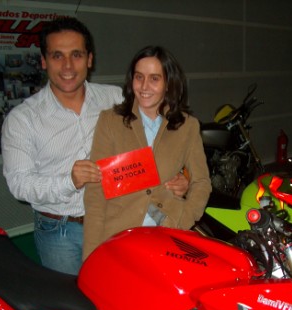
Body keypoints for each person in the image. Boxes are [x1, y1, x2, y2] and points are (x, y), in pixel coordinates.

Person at [1, 18, 188, 274]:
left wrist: (177, 177)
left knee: (123, 289)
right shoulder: (23, 119)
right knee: (71, 296)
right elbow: (19, 184)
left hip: (118, 219)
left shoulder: (116, 99)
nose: (68, 66)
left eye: (76, 55)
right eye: (57, 56)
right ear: (44, 61)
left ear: (89, 59)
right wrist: (69, 181)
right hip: (60, 231)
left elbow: (158, 141)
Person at [83, 45, 212, 259]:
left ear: (168, 83)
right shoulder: (110, 121)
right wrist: (92, 255)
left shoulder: (187, 126)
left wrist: (184, 218)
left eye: (154, 78)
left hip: (167, 234)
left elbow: (202, 181)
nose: (144, 86)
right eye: (139, 77)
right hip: (119, 235)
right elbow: (96, 192)